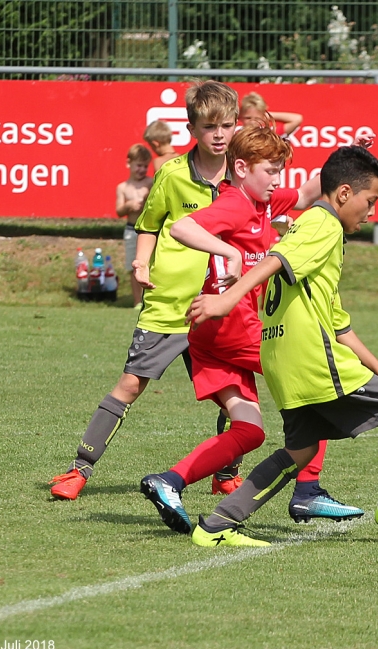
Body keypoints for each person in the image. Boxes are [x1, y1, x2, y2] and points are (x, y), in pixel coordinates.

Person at [184, 146, 378, 547]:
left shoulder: (310, 226)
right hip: (311, 359)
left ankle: (216, 526)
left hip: (281, 359)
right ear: (344, 194)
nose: (371, 212)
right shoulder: (322, 224)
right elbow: (275, 259)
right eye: (370, 201)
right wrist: (226, 300)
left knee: (301, 450)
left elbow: (337, 322)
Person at [139, 125, 362, 534]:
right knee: (312, 378)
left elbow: (311, 191)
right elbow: (181, 228)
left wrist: (350, 156)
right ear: (241, 168)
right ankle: (308, 490)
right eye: (271, 171)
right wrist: (228, 251)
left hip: (210, 335)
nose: (278, 180)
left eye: (280, 171)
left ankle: (168, 482)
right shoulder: (236, 204)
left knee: (250, 431)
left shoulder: (261, 200)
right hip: (232, 326)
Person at [49, 81, 239, 501]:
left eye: (227, 125)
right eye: (211, 127)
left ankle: (226, 473)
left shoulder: (241, 172)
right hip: (170, 304)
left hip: (222, 306)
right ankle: (78, 469)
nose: (220, 134)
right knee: (131, 385)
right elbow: (148, 224)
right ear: (192, 128)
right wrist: (140, 261)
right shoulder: (172, 175)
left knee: (233, 396)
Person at [116, 144, 153, 308]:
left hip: (149, 230)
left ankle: (150, 298)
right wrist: (128, 205)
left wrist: (146, 200)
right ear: (128, 163)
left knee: (150, 264)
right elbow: (118, 211)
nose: (142, 169)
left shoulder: (150, 183)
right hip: (131, 229)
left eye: (145, 166)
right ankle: (137, 300)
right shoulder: (123, 187)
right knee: (134, 266)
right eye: (139, 165)